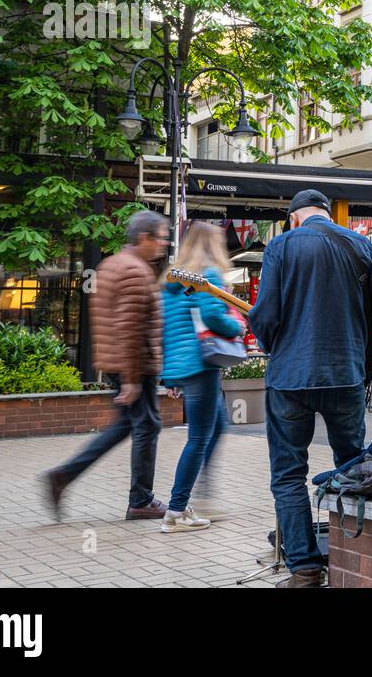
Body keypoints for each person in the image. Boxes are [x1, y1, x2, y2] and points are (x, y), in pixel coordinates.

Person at [247, 189, 372, 587]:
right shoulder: (361, 244)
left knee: (288, 475)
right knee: (352, 466)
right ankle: (355, 556)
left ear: (294, 217)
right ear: (327, 214)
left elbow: (267, 314)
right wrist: (359, 348)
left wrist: (271, 343)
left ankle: (305, 570)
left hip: (290, 377)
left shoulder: (280, 246)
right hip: (344, 373)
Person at [41, 210, 169, 522]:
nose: (165, 243)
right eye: (161, 237)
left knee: (127, 424)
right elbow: (129, 327)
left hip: (118, 362)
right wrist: (131, 378)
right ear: (144, 238)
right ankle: (141, 500)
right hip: (136, 364)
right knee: (147, 425)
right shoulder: (135, 271)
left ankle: (63, 476)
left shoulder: (110, 265)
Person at [158, 221, 245, 532]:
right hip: (202, 363)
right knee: (198, 438)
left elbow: (165, 329)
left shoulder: (172, 279)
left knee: (216, 425)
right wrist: (238, 327)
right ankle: (177, 510)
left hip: (184, 365)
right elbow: (211, 316)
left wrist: (168, 376)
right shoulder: (207, 274)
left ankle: (199, 497)